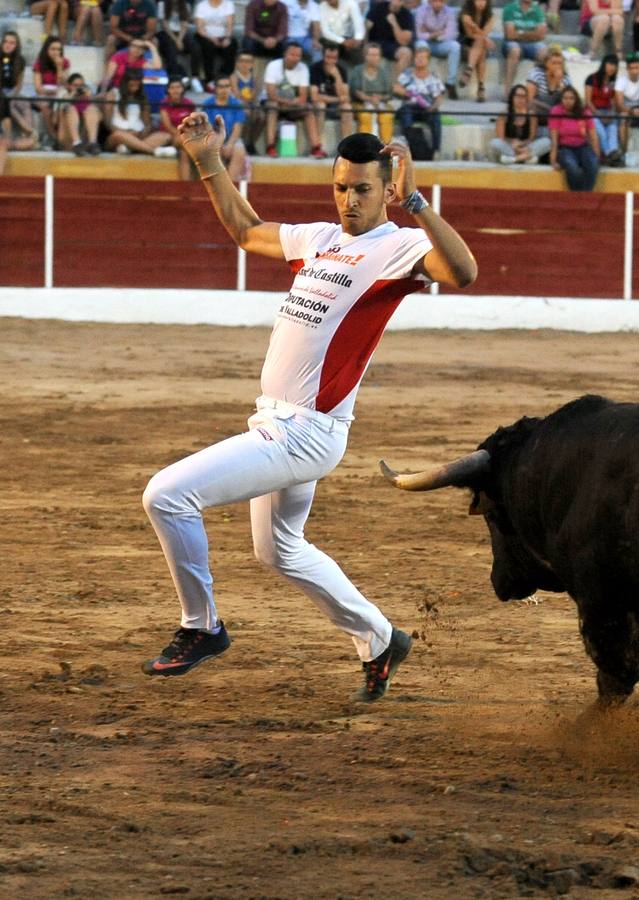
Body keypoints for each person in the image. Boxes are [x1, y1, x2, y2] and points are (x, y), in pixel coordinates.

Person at [143, 117, 476, 700]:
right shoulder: (319, 238)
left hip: (306, 433)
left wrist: (416, 203)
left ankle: (203, 627)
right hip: (274, 419)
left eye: (364, 189)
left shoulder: (401, 246)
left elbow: (464, 273)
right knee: (280, 549)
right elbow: (248, 231)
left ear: (387, 188)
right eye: (342, 187)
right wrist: (208, 162)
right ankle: (379, 637)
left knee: (167, 495)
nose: (350, 200)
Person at [264, 41, 326, 157]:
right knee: (273, 106)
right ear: (284, 54)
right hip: (276, 104)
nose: (295, 58)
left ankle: (316, 147)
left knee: (308, 109)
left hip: (292, 106)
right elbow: (271, 94)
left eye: (298, 56)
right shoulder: (273, 66)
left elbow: (303, 96)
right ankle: (270, 146)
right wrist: (288, 102)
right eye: (292, 55)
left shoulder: (303, 68)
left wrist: (292, 103)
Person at [105, 68, 177, 155]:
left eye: (137, 85)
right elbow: (108, 122)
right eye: (132, 85)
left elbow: (147, 124)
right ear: (125, 83)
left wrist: (141, 133)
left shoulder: (142, 97)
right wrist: (127, 133)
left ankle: (131, 147)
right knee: (118, 135)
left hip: (139, 135)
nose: (135, 88)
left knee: (166, 136)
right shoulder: (113, 94)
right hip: (119, 135)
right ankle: (154, 151)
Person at [394, 44, 445, 154]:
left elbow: (439, 97)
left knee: (436, 117)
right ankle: (407, 150)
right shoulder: (407, 73)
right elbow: (396, 88)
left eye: (423, 58)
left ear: (428, 60)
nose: (420, 60)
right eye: (418, 58)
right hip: (410, 106)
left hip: (427, 108)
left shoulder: (434, 76)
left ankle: (436, 150)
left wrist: (434, 107)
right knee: (406, 116)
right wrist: (410, 94)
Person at [0, 32, 37, 140]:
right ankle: (29, 132)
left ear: (17, 45)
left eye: (12, 43)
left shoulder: (20, 60)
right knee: (8, 103)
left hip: (12, 91)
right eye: (6, 42)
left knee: (25, 104)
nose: (8, 45)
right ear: (1, 43)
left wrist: (14, 94)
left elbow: (19, 84)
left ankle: (25, 136)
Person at [0, 71, 37, 175]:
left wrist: (7, 137)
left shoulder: (4, 100)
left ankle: (2, 145)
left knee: (30, 142)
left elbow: (6, 122)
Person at [549, 84, 600, 190]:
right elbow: (554, 138)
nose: (568, 101)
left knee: (593, 165)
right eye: (565, 98)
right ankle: (576, 196)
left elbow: (594, 137)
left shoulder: (585, 112)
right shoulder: (556, 111)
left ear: (576, 99)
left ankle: (586, 196)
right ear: (561, 99)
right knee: (573, 168)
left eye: (571, 98)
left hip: (583, 146)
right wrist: (553, 160)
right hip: (565, 148)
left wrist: (597, 156)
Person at [203, 74, 250, 178]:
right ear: (215, 89)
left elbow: (237, 127)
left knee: (239, 151)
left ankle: (229, 187)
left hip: (232, 138)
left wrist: (230, 144)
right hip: (213, 138)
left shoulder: (237, 104)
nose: (224, 89)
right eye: (221, 87)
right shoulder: (207, 104)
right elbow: (208, 128)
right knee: (214, 152)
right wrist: (219, 143)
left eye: (227, 86)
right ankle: (220, 187)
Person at [414, 0, 462, 101]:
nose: (438, 4)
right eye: (435, 1)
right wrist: (434, 34)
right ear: (430, 1)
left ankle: (450, 83)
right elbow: (419, 34)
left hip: (441, 43)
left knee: (455, 46)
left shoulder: (449, 12)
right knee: (420, 44)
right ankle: (421, 82)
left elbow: (452, 34)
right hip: (427, 43)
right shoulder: (421, 11)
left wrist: (431, 33)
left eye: (441, 1)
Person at [501, 0, 549, 100]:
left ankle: (539, 91)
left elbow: (541, 35)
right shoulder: (510, 8)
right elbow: (510, 34)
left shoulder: (538, 10)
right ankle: (507, 92)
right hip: (511, 43)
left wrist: (520, 32)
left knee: (545, 52)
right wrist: (532, 33)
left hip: (531, 44)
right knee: (515, 50)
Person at [490, 83, 549, 163]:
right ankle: (527, 157)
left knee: (547, 142)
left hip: (526, 147)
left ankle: (514, 159)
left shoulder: (531, 115)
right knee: (495, 143)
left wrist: (521, 144)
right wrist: (513, 144)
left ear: (526, 98)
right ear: (512, 97)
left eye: (523, 96)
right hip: (510, 147)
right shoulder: (504, 115)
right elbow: (501, 137)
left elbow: (532, 138)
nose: (520, 99)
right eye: (517, 96)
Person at [351, 42, 396, 141]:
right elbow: (355, 91)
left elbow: (389, 93)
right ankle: (366, 146)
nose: (373, 58)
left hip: (381, 102)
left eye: (376, 55)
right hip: (360, 102)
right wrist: (370, 99)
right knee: (365, 116)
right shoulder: (357, 71)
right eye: (370, 55)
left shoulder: (384, 72)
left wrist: (379, 98)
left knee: (387, 116)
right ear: (365, 56)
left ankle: (386, 147)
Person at [311, 43, 356, 140]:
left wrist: (337, 76)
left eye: (334, 58)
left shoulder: (341, 69)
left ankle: (346, 144)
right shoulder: (315, 68)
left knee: (347, 108)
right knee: (321, 105)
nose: (331, 61)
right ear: (323, 56)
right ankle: (318, 143)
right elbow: (315, 97)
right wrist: (338, 99)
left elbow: (345, 97)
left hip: (335, 104)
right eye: (328, 57)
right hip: (320, 104)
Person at [32, 36, 71, 144]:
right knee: (45, 107)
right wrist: (52, 92)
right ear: (46, 49)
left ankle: (62, 134)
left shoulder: (65, 62)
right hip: (44, 94)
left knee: (64, 100)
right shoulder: (39, 63)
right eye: (53, 49)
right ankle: (53, 135)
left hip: (59, 94)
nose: (56, 52)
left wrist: (59, 67)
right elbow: (38, 88)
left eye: (59, 49)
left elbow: (64, 84)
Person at [584, 53, 622, 165]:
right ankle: (610, 154)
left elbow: (613, 102)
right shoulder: (591, 78)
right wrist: (598, 114)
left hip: (607, 111)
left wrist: (610, 113)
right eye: (610, 64)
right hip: (593, 111)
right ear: (604, 64)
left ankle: (612, 153)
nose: (612, 68)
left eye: (615, 65)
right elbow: (588, 101)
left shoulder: (614, 82)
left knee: (612, 128)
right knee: (600, 130)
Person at [365, 0, 415, 76]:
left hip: (394, 44)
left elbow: (404, 41)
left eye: (399, 1)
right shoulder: (379, 7)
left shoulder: (407, 15)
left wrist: (394, 23)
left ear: (403, 2)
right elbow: (366, 26)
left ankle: (396, 85)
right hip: (376, 41)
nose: (396, 2)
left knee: (406, 53)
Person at [159, 77, 197, 176]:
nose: (175, 90)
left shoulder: (189, 103)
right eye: (172, 88)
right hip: (171, 136)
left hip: (186, 138)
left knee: (184, 153)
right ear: (168, 90)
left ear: (182, 89)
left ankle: (186, 187)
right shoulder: (164, 103)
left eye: (178, 87)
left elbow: (194, 124)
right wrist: (182, 134)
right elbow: (168, 126)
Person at [459, 0, 495, 103]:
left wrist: (473, 25)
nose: (481, 2)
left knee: (481, 47)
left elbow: (485, 33)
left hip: (480, 45)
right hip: (465, 44)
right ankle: (481, 88)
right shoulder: (465, 13)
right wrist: (485, 38)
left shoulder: (490, 16)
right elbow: (470, 34)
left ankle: (468, 71)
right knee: (481, 45)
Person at [60, 72, 103, 155]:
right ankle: (76, 143)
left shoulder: (87, 99)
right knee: (70, 109)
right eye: (75, 86)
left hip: (85, 141)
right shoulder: (65, 96)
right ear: (69, 86)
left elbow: (100, 117)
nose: (78, 88)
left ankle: (93, 143)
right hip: (68, 140)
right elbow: (56, 119)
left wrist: (90, 98)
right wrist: (72, 96)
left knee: (92, 109)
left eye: (81, 86)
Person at [194, 0, 238, 83]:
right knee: (208, 47)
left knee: (232, 45)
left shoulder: (228, 4)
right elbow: (200, 28)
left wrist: (227, 38)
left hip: (223, 35)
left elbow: (230, 24)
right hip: (205, 35)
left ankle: (225, 76)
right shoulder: (201, 6)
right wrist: (211, 38)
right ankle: (209, 79)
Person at [230, 51, 265, 153]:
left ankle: (251, 142)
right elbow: (237, 95)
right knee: (247, 113)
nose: (244, 64)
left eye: (248, 61)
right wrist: (248, 102)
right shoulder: (234, 77)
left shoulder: (254, 77)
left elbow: (255, 94)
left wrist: (251, 102)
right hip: (236, 105)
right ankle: (242, 141)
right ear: (237, 63)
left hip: (250, 105)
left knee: (261, 117)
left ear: (252, 64)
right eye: (242, 61)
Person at [525, 47, 571, 123]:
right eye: (554, 63)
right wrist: (550, 109)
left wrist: (559, 83)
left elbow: (569, 100)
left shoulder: (566, 78)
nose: (557, 66)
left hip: (557, 113)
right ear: (546, 63)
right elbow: (529, 99)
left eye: (560, 63)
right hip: (538, 110)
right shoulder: (536, 74)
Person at [319, 0, 366, 65]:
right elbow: (325, 31)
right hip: (332, 39)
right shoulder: (322, 7)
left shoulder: (350, 3)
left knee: (358, 49)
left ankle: (358, 72)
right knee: (330, 49)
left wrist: (357, 39)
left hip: (349, 38)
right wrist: (343, 41)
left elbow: (358, 22)